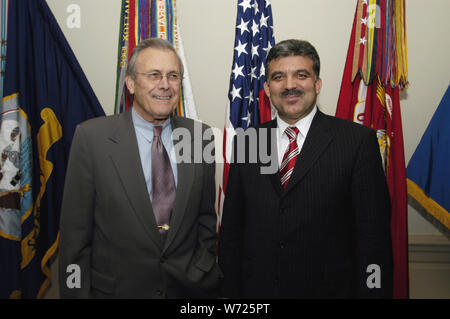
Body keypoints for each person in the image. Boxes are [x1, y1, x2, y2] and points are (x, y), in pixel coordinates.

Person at [218, 39, 393, 298]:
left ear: (317, 84)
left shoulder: (357, 142)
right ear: (267, 88)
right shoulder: (248, 142)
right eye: (279, 77)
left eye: (301, 75)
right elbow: (232, 233)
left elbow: (373, 240)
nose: (290, 85)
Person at [59, 38, 221, 298]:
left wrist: (202, 269)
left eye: (173, 76)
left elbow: (205, 219)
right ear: (131, 83)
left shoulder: (199, 137)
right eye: (154, 75)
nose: (165, 85)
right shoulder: (91, 139)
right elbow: (74, 241)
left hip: (187, 291)